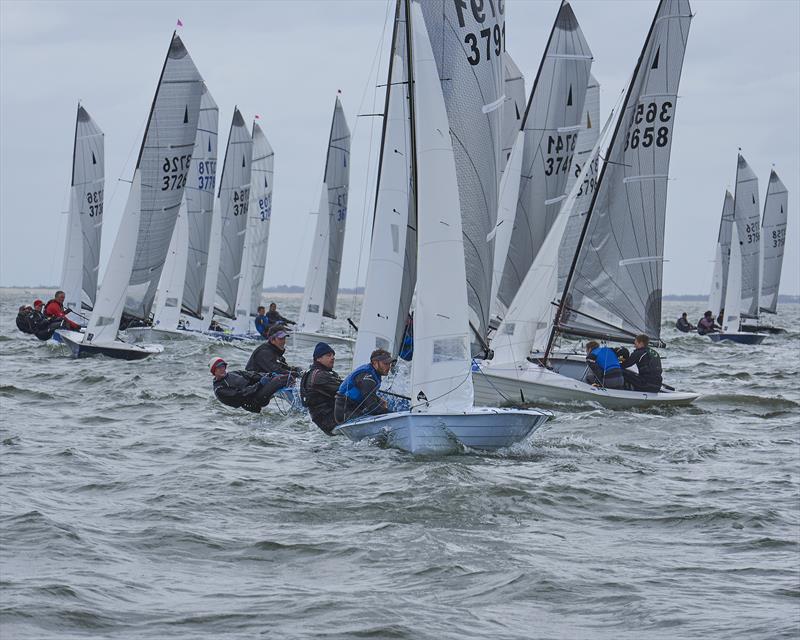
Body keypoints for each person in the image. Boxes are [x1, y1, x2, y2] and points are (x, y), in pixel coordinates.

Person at [209, 357, 294, 413]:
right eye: (219, 368)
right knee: (281, 380)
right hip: (254, 400)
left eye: (223, 366)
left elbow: (252, 375)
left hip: (258, 390)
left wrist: (267, 376)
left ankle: (298, 396)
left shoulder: (234, 373)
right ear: (214, 371)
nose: (222, 369)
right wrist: (260, 384)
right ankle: (301, 404)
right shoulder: (220, 389)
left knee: (284, 377)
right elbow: (242, 394)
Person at [334, 348, 393, 424]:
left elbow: (366, 394)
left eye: (389, 364)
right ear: (375, 363)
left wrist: (378, 400)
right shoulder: (368, 377)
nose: (388, 367)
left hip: (355, 409)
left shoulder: (373, 373)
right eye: (385, 364)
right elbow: (371, 405)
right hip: (346, 413)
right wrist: (392, 413)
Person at [300, 342, 342, 435]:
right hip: (331, 421)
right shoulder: (319, 376)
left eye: (333, 355)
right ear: (318, 358)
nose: (332, 358)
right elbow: (345, 389)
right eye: (328, 355)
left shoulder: (315, 372)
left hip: (326, 420)